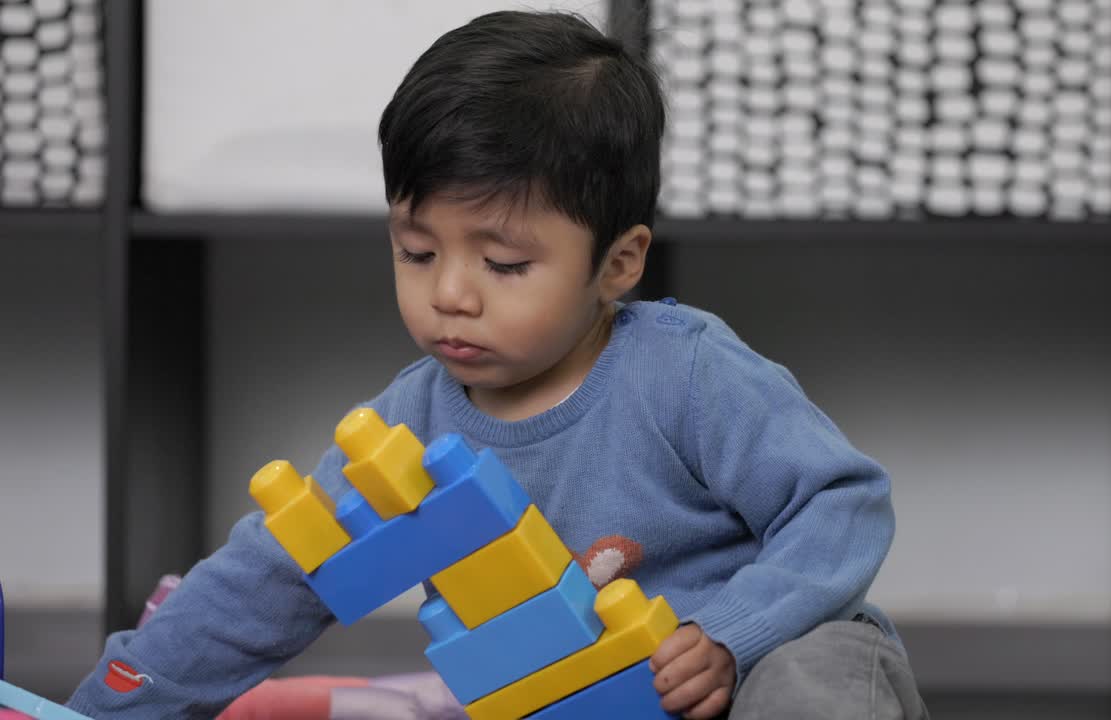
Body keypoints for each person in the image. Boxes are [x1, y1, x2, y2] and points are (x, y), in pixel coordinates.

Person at [68, 10, 928, 719]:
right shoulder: (409, 426)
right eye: (414, 252)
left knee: (816, 675)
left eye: (505, 266)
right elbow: (273, 576)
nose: (450, 294)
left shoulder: (687, 373)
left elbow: (841, 503)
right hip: (581, 695)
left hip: (756, 661)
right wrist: (114, 700)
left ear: (619, 263)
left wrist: (735, 633)